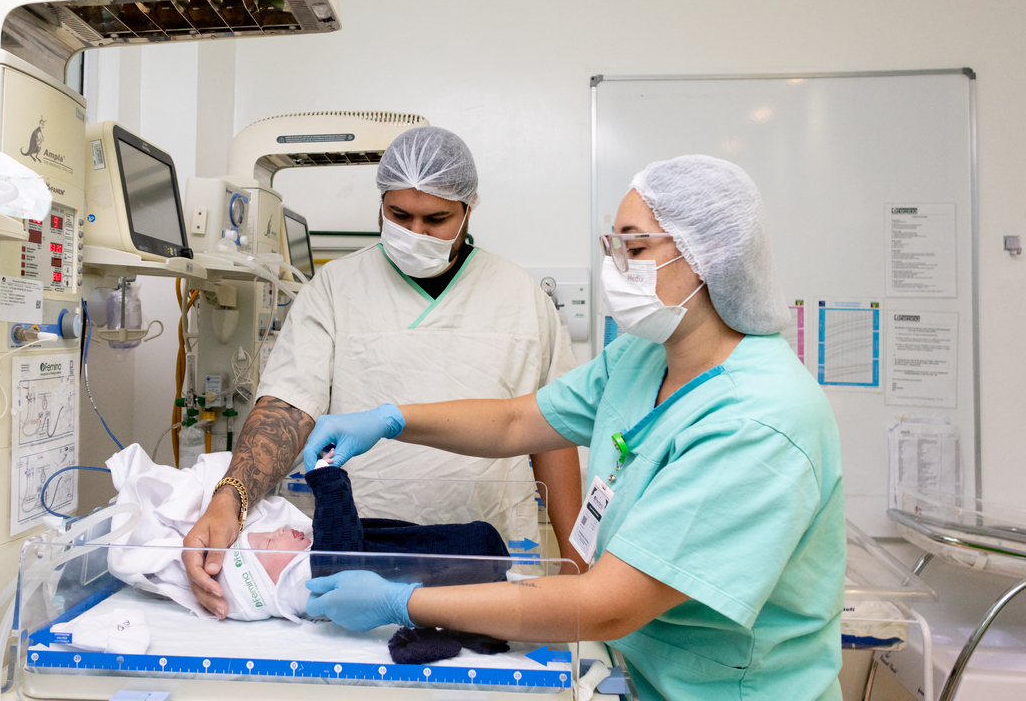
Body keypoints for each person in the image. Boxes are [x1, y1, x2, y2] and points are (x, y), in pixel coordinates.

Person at [298, 156, 847, 701]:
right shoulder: (644, 356)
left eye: (635, 250)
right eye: (614, 247)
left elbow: (610, 604)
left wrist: (403, 603)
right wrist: (392, 420)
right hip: (636, 671)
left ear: (711, 256)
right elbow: (517, 421)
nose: (615, 268)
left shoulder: (756, 422)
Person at [183, 125, 585, 619]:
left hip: (491, 555)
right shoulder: (335, 288)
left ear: (468, 210)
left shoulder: (521, 296)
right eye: (399, 215)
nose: (415, 232)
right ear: (380, 205)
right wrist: (231, 497)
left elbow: (556, 431)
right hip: (360, 557)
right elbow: (287, 407)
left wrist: (576, 564)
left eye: (436, 219)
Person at [105, 444, 511, 624]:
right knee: (476, 550)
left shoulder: (304, 572)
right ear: (268, 581)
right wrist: (326, 476)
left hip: (464, 567)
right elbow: (340, 556)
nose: (280, 528)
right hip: (471, 561)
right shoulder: (306, 584)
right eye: (268, 541)